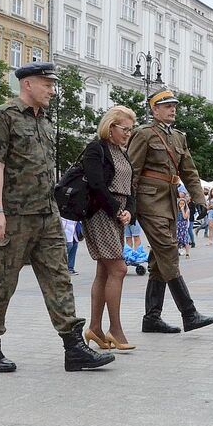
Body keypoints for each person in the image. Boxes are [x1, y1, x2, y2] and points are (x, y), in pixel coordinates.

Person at [0, 62, 114, 372]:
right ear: (27, 84)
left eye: (52, 84)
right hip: (15, 215)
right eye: (47, 84)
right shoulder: (4, 116)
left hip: (47, 214)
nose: (52, 90)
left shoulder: (46, 121)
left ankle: (73, 347)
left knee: (59, 279)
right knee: (3, 282)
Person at [127, 87, 213, 334]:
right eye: (167, 106)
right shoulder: (144, 134)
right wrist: (129, 203)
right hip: (148, 201)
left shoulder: (178, 137)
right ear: (154, 110)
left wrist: (199, 199)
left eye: (174, 106)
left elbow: (189, 171)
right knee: (168, 251)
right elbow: (132, 170)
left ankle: (151, 318)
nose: (172, 110)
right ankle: (189, 313)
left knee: (159, 260)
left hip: (169, 201)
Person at [82, 105, 137, 351]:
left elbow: (131, 188)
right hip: (101, 214)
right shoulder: (97, 148)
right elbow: (96, 184)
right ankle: (115, 329)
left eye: (131, 130)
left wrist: (129, 212)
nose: (128, 134)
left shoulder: (122, 153)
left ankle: (95, 328)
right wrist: (117, 209)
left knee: (104, 271)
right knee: (119, 269)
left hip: (118, 215)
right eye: (125, 129)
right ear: (110, 127)